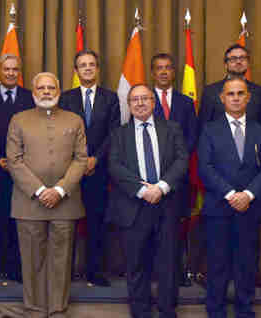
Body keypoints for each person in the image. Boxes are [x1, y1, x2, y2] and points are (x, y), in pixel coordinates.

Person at [7, 72, 88, 318]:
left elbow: (81, 159)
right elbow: (13, 160)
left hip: (66, 202)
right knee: (32, 259)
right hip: (28, 202)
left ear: (59, 91)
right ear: (33, 93)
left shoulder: (74, 120)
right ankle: (34, 308)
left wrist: (61, 190)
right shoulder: (18, 120)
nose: (46, 92)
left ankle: (57, 309)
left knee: (61, 260)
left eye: (50, 88)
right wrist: (41, 191)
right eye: (41, 88)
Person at [108, 84, 189, 318]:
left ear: (154, 102)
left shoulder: (172, 129)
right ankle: (140, 311)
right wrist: (143, 191)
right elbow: (114, 166)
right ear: (129, 104)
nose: (140, 103)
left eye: (145, 98)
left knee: (168, 263)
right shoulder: (119, 134)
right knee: (136, 265)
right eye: (135, 99)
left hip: (166, 206)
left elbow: (182, 160)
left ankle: (167, 310)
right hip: (133, 207)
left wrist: (161, 187)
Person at [197, 78, 261, 318]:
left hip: (250, 208)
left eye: (241, 93)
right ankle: (216, 309)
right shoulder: (209, 130)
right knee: (217, 263)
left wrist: (249, 195)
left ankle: (244, 308)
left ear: (248, 97)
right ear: (222, 98)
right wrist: (231, 194)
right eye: (231, 94)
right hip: (219, 206)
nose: (236, 98)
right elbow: (205, 167)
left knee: (246, 263)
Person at [59, 49, 120, 287]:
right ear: (75, 71)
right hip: (70, 171)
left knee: (97, 221)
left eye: (91, 64)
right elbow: (61, 133)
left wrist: (95, 158)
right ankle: (67, 271)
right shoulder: (66, 98)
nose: (87, 68)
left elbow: (113, 133)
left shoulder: (110, 98)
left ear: (97, 69)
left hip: (99, 169)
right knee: (67, 222)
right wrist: (80, 160)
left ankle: (95, 270)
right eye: (82, 65)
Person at [0, 53, 33, 284]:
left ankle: (16, 270)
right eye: (7, 69)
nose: (11, 73)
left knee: (18, 223)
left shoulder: (31, 98)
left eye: (15, 69)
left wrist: (18, 162)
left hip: (23, 172)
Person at [150, 53, 198, 287]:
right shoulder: (143, 100)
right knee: (151, 228)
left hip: (178, 177)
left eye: (168, 68)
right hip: (149, 178)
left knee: (176, 228)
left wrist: (175, 165)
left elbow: (192, 138)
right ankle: (154, 272)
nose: (163, 72)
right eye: (159, 68)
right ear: (152, 72)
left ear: (173, 72)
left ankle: (178, 272)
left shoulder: (186, 103)